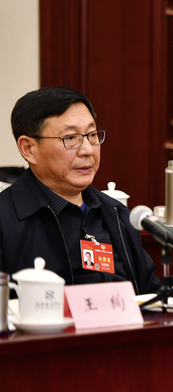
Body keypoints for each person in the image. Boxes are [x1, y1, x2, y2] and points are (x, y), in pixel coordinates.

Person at [0, 86, 160, 293]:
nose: (87, 150)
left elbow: (151, 296)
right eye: (70, 138)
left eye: (92, 135)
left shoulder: (115, 214)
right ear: (28, 148)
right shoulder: (5, 219)